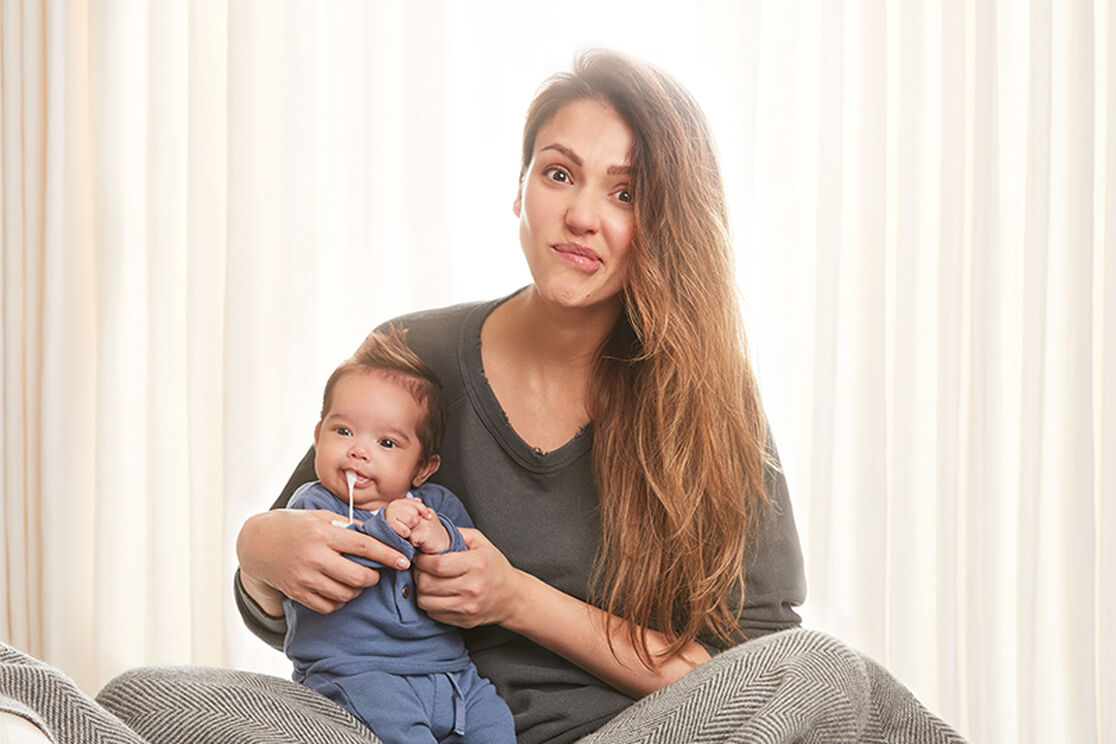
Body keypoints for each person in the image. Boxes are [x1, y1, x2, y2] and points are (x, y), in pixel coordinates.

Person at [233, 48, 808, 744]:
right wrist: (258, 551)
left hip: (636, 733)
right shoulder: (413, 358)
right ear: (520, 189)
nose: (581, 215)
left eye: (624, 193)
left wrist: (515, 599)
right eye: (559, 174)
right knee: (154, 694)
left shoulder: (710, 403)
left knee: (834, 675)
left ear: (665, 222)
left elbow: (768, 674)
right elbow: (294, 602)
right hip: (397, 725)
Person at [275, 330, 514, 744]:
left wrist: (439, 538)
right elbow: (346, 564)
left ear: (422, 468)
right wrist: (386, 525)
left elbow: (465, 561)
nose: (359, 451)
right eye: (343, 432)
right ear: (317, 438)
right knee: (398, 732)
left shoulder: (437, 505)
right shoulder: (311, 509)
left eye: (386, 442)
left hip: (452, 674)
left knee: (494, 723)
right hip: (359, 675)